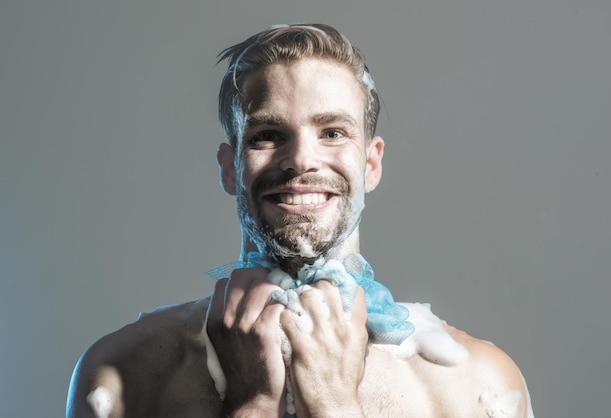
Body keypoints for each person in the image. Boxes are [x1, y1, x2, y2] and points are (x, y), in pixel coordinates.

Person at [67, 23, 533, 417]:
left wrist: (335, 406)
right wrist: (252, 405)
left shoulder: (476, 385)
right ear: (230, 168)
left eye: (332, 132)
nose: (301, 160)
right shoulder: (121, 376)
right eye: (268, 135)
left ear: (371, 165)